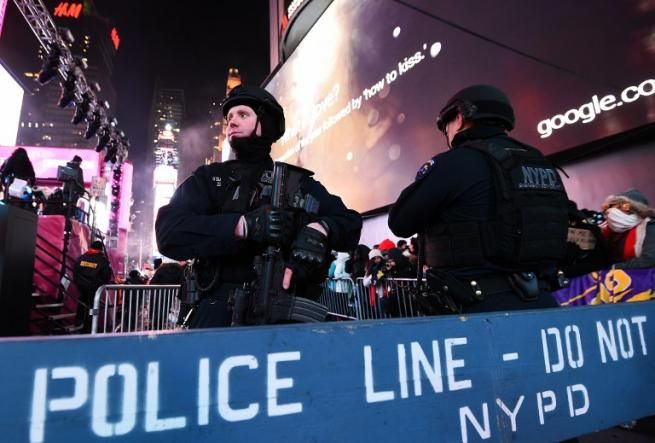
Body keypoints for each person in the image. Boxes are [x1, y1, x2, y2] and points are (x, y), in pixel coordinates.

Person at [155, 85, 362, 328]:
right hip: (215, 318)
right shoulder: (211, 179)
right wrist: (242, 226)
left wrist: (322, 228)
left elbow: (350, 221)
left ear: (266, 123)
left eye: (243, 115)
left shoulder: (295, 184)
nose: (232, 122)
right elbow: (168, 233)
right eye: (229, 117)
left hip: (282, 320)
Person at [388, 84, 570, 314]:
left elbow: (400, 221)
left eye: (447, 125)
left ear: (460, 118)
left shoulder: (455, 163)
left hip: (477, 310)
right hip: (545, 302)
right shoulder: (539, 161)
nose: (447, 133)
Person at [601, 189, 655, 269]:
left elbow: (649, 260)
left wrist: (613, 267)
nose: (611, 211)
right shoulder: (609, 231)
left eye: (619, 207)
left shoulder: (650, 226)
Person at [73, 240, 113, 332]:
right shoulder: (102, 261)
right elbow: (106, 276)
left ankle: (79, 323)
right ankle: (89, 327)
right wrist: (97, 284)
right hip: (93, 288)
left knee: (82, 305)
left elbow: (75, 271)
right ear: (101, 249)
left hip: (81, 287)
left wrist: (80, 283)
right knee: (92, 307)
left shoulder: (81, 258)